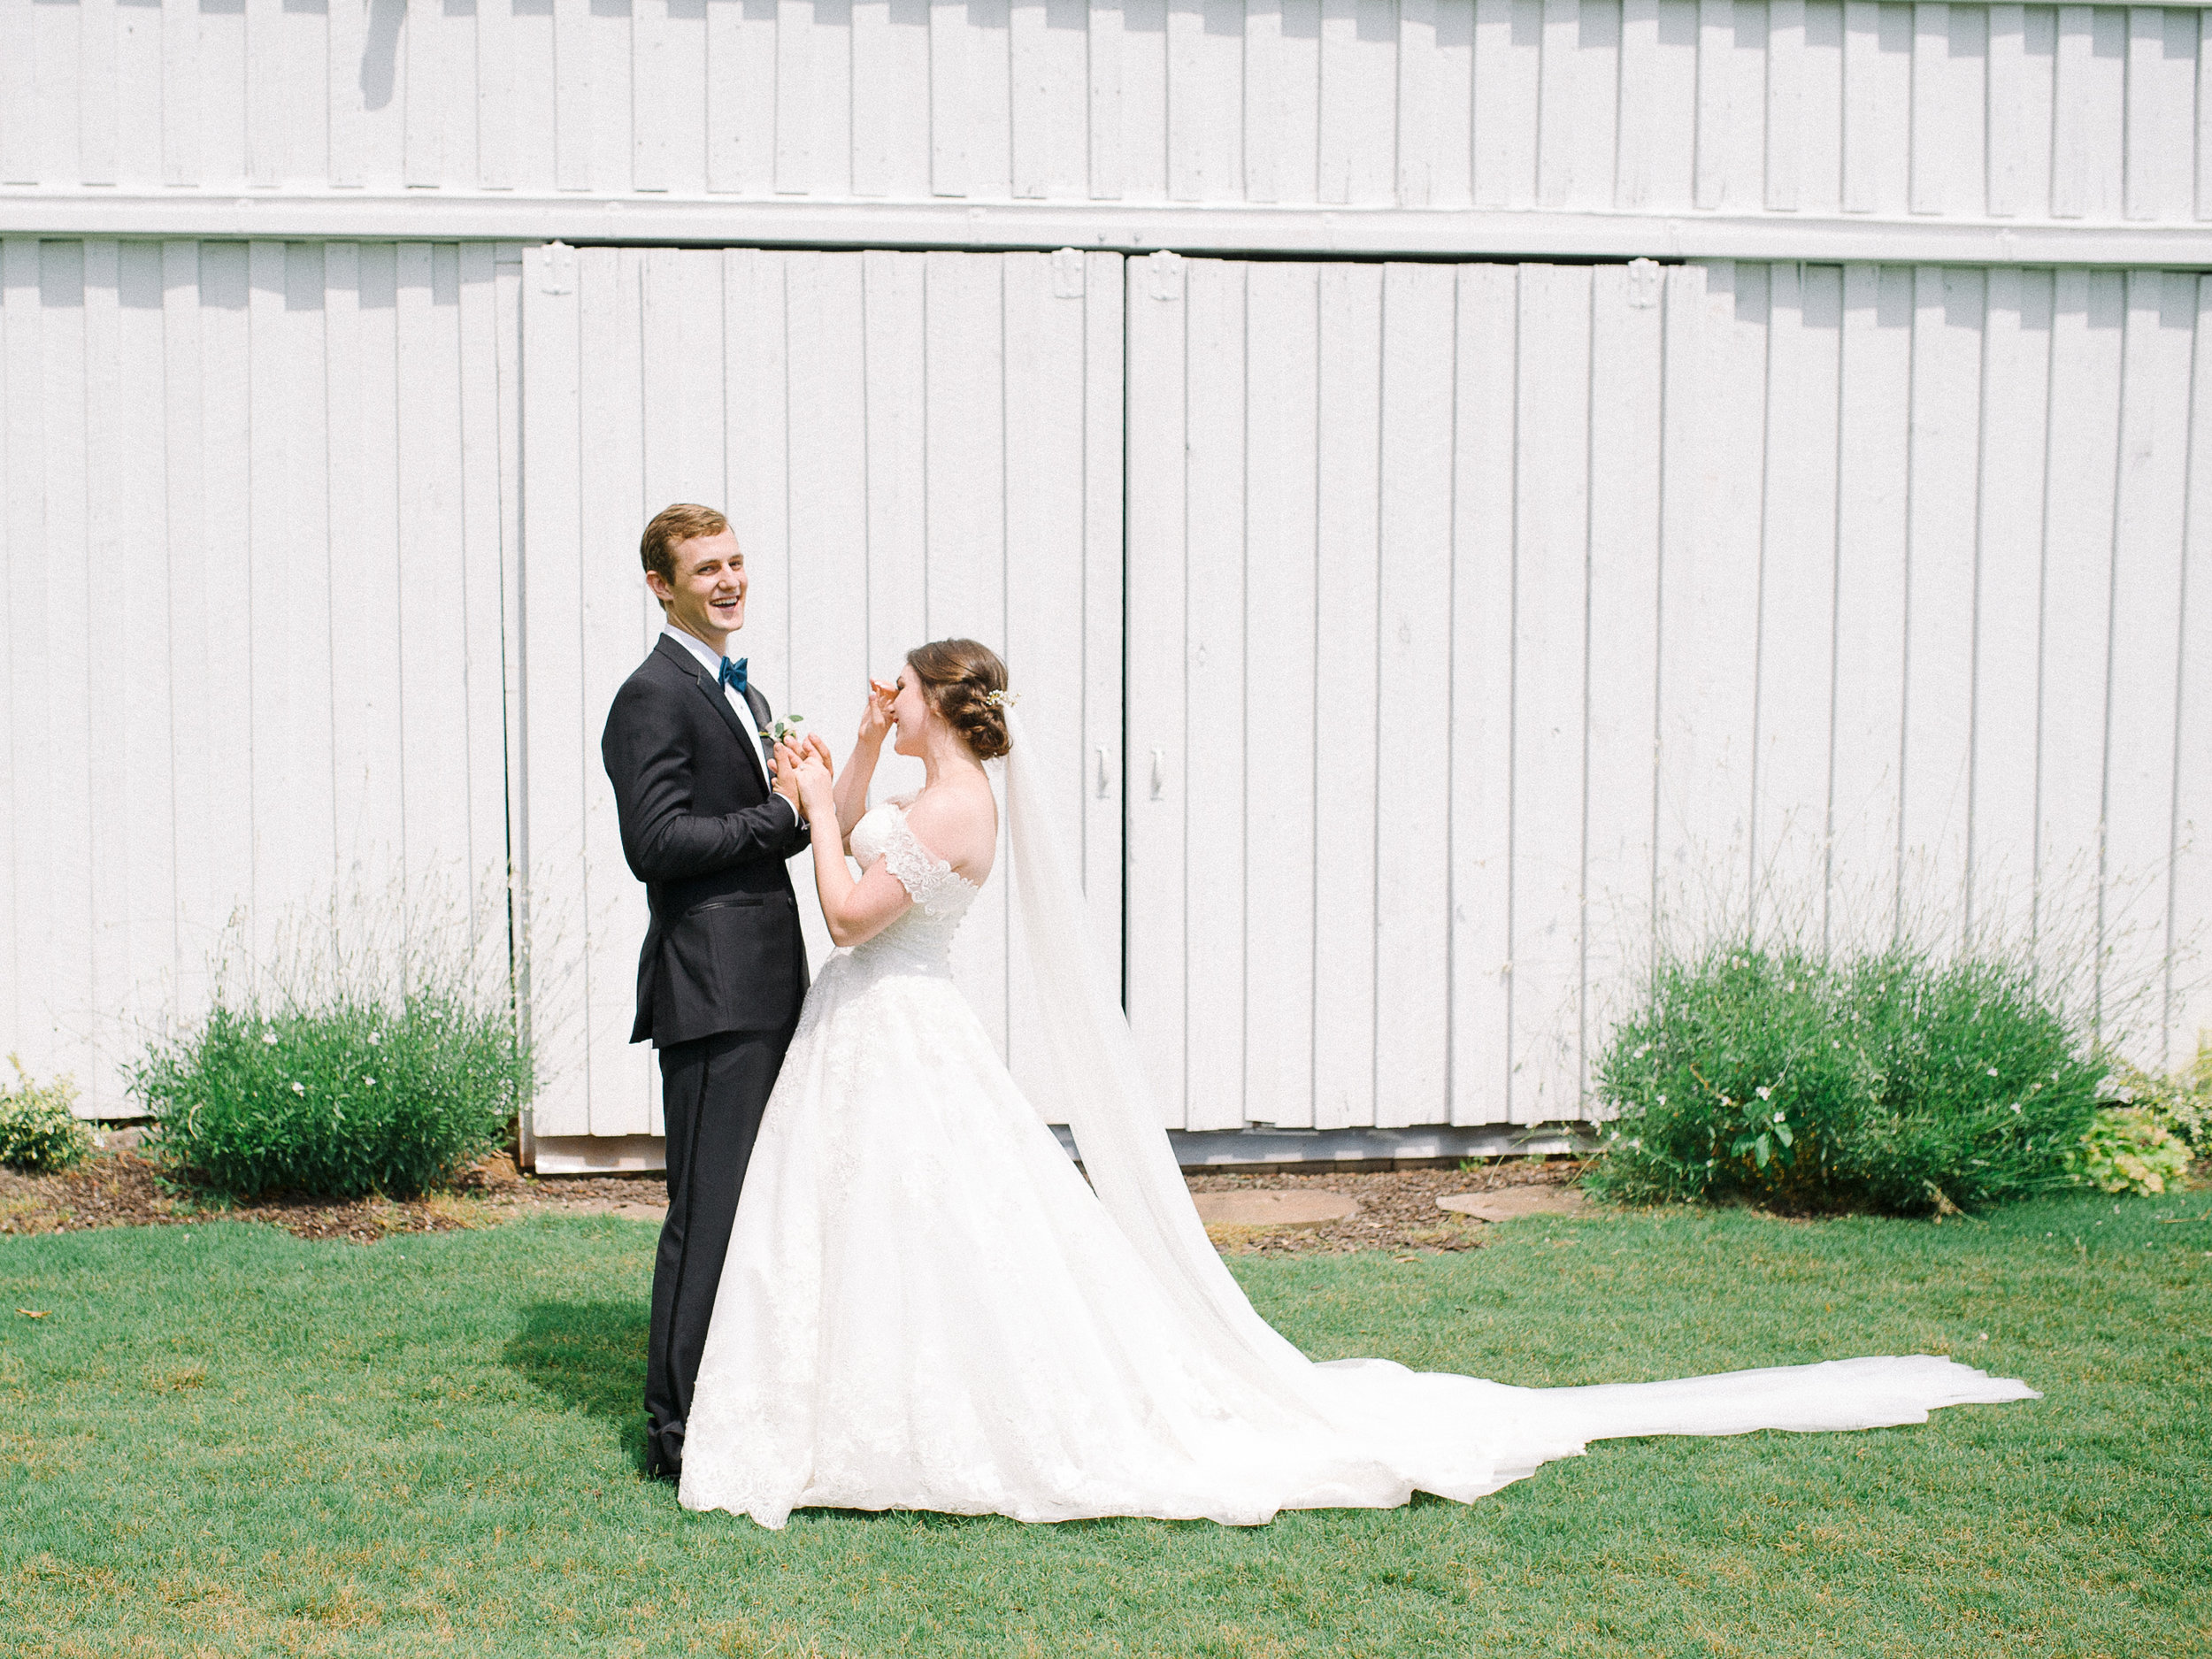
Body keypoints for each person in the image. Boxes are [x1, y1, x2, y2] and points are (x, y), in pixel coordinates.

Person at [676, 637, 2039, 1528]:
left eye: (897, 692)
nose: (884, 702)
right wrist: (834, 764)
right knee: (882, 1235)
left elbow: (850, 907)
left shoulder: (958, 808)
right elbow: (858, 822)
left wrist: (806, 822)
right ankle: (852, 1397)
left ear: (941, 702)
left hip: (899, 1027)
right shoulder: (931, 780)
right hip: (873, 1038)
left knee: (943, 1235)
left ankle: (934, 1412)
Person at [599, 503, 827, 1484]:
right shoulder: (650, 696)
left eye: (735, 562)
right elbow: (657, 844)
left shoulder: (746, 689)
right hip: (714, 991)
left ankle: (742, 1398)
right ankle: (676, 1432)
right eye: (705, 569)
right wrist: (778, 818)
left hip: (772, 984)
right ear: (662, 585)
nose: (729, 581)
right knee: (709, 1209)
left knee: (762, 1208)